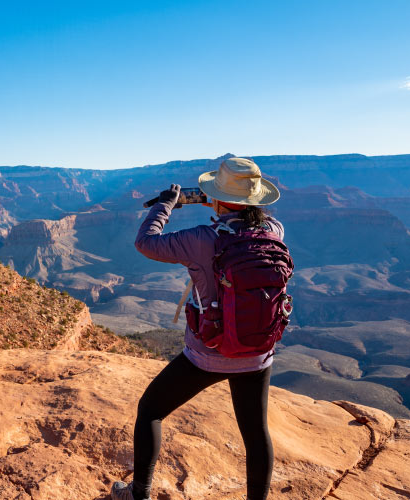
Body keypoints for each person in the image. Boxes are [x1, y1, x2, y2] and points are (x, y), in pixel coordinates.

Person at [111, 157, 284, 500]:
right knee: (255, 432)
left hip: (210, 354)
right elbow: (248, 218)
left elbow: (146, 242)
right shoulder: (274, 231)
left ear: (217, 196)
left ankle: (138, 494)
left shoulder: (201, 239)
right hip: (258, 354)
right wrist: (223, 201)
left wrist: (166, 205)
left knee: (151, 410)